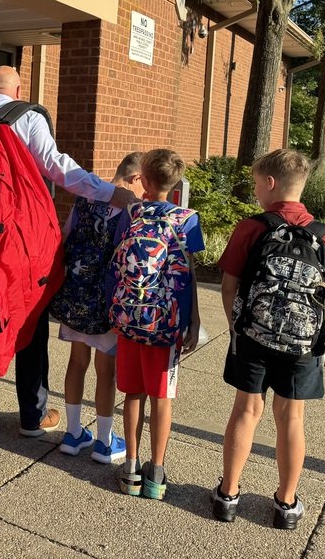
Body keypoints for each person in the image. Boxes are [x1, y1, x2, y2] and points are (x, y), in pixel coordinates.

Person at [0, 65, 137, 437]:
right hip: (19, 242)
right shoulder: (27, 117)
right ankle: (31, 417)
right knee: (30, 321)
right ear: (19, 89)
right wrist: (109, 191)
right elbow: (57, 168)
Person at [212, 148, 325, 529]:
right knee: (291, 417)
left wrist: (238, 327)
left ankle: (228, 495)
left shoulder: (252, 228)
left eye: (257, 184)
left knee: (246, 410)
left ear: (270, 184)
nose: (256, 191)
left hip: (253, 338)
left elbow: (229, 286)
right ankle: (286, 504)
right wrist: (323, 344)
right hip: (302, 346)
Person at [114, 149, 204, 499]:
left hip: (130, 317)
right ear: (176, 182)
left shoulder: (132, 212)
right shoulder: (188, 218)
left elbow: (118, 261)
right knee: (161, 397)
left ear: (145, 181)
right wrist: (193, 321)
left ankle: (131, 468)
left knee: (133, 393)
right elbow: (190, 273)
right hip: (166, 326)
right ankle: (157, 474)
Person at [57, 152, 146, 465]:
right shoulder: (131, 210)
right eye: (142, 184)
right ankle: (104, 442)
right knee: (105, 372)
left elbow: (65, 238)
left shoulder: (86, 197)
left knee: (76, 362)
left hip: (75, 297)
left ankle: (71, 433)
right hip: (108, 303)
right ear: (135, 177)